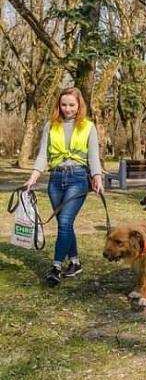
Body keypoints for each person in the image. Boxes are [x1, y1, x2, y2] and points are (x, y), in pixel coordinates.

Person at [24, 87, 104, 286]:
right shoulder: (51, 126)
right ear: (59, 105)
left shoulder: (88, 127)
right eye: (64, 104)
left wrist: (97, 177)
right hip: (56, 179)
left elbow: (93, 156)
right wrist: (33, 177)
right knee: (64, 224)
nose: (67, 109)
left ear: (79, 106)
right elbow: (43, 154)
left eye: (71, 105)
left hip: (78, 178)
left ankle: (56, 267)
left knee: (65, 221)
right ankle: (75, 262)